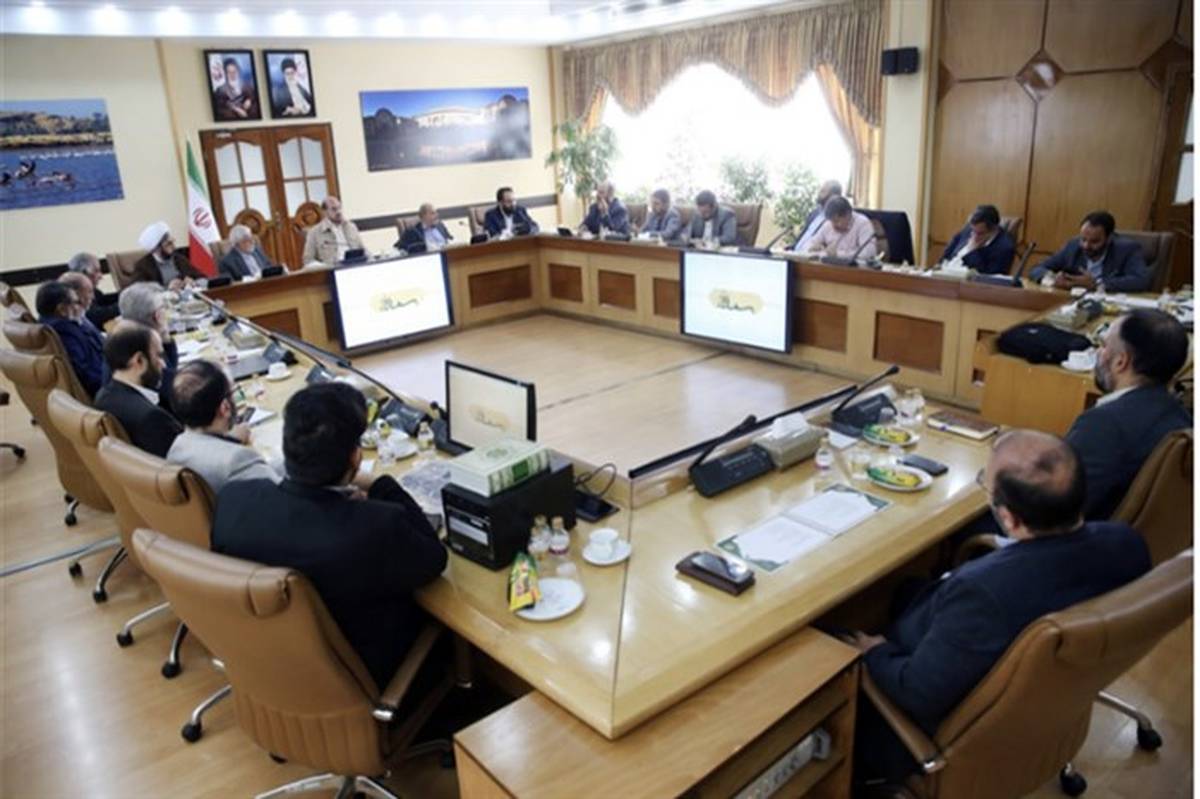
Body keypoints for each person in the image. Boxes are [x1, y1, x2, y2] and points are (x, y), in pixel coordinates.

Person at [846, 430, 1150, 785]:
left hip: (921, 721)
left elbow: (917, 694)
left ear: (1009, 519)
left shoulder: (982, 595)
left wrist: (874, 650)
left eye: (985, 485)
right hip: (1039, 701)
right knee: (904, 587)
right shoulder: (1128, 544)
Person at [211, 382, 447, 690]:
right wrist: (381, 485)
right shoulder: (376, 525)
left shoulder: (234, 499)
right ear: (355, 458)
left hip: (271, 668)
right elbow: (435, 558)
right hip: (365, 677)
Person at [1066, 309, 1191, 520]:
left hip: (1087, 533)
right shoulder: (1181, 416)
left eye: (1103, 345)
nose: (1098, 352)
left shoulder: (1103, 425)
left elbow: (1054, 510)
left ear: (1120, 362)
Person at [167, 360, 279, 494]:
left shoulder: (176, 448)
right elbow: (281, 492)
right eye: (233, 392)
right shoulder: (237, 460)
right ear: (225, 407)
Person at [93, 324, 183, 458]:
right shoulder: (152, 418)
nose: (163, 364)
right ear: (139, 360)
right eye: (158, 356)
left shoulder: (103, 397)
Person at [1029, 211, 1151, 292]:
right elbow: (1037, 269)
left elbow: (1141, 281)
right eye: (1083, 239)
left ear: (1109, 238)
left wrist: (1097, 284)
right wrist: (1051, 279)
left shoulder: (1127, 249)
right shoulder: (1073, 246)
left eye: (1094, 242)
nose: (1086, 246)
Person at [35, 280, 105, 397]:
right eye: (76, 302)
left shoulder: (46, 323)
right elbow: (86, 374)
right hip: (103, 387)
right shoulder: (64, 331)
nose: (81, 305)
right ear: (62, 309)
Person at [119, 282, 179, 410]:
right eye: (164, 307)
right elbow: (175, 389)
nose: (166, 311)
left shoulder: (128, 337)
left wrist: (166, 338)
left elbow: (171, 369)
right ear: (157, 316)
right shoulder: (141, 352)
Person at [938, 204, 1016, 275]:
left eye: (980, 233)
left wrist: (973, 251)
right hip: (944, 276)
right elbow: (945, 256)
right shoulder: (969, 229)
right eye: (973, 231)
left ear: (994, 229)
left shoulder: (1004, 248)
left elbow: (988, 279)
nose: (974, 236)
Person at [131, 222, 205, 289]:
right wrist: (167, 289)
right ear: (156, 249)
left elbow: (203, 278)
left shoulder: (179, 258)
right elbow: (137, 294)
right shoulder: (142, 267)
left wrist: (195, 283)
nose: (174, 247)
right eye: (168, 244)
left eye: (172, 242)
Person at [803, 196, 877, 261]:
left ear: (848, 214)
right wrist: (812, 248)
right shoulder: (828, 224)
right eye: (831, 221)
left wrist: (838, 254)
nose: (833, 225)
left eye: (837, 221)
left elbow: (869, 253)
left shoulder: (862, 223)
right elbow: (808, 244)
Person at [302, 196, 363, 267]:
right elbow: (308, 260)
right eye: (334, 209)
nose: (338, 212)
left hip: (355, 266)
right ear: (324, 212)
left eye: (339, 208)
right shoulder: (314, 233)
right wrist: (324, 267)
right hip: (331, 270)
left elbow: (363, 249)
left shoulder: (351, 227)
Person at [67, 251, 120, 327]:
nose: (101, 276)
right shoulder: (73, 293)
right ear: (84, 273)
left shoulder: (93, 291)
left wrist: (127, 294)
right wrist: (125, 304)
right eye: (96, 271)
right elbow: (96, 315)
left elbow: (103, 300)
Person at [792, 180, 843, 252]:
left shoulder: (837, 219)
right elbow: (802, 237)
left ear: (833, 196)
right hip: (793, 254)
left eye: (823, 191)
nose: (819, 194)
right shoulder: (814, 213)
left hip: (811, 257)